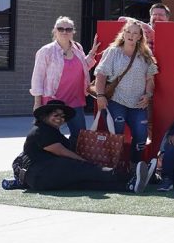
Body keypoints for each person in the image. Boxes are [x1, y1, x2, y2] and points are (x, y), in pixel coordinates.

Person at [11, 100, 153, 193]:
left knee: (85, 182)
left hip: (44, 177)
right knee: (87, 170)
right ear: (45, 116)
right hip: (41, 173)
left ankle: (128, 186)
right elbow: (62, 152)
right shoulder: (40, 131)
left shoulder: (52, 131)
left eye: (62, 116)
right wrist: (85, 162)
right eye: (56, 115)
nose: (60, 119)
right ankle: (132, 176)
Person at [93, 18, 158, 169]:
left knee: (141, 135)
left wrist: (148, 95)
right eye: (128, 31)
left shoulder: (145, 54)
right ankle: (116, 167)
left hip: (138, 103)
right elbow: (101, 75)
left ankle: (135, 167)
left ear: (140, 37)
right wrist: (100, 96)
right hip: (116, 101)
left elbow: (150, 79)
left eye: (135, 33)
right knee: (117, 134)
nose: (131, 35)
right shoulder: (113, 52)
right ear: (123, 33)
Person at [29, 16, 100, 148]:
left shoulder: (77, 48)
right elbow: (37, 78)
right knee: (49, 137)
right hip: (53, 100)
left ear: (73, 32)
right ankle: (51, 159)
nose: (64, 32)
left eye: (68, 29)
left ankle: (72, 158)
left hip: (75, 99)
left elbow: (82, 67)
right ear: (55, 31)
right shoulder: (46, 51)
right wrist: (37, 103)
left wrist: (92, 53)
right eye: (60, 29)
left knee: (79, 136)